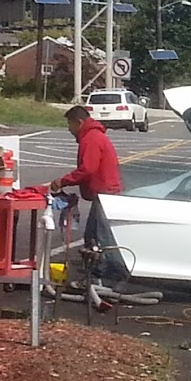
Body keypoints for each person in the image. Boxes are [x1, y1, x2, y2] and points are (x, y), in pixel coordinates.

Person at [50, 105, 125, 284]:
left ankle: (116, 272)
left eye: (70, 124)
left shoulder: (90, 138)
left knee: (103, 235)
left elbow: (87, 169)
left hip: (105, 192)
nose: (69, 129)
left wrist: (63, 181)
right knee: (92, 235)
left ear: (79, 122)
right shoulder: (93, 135)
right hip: (104, 191)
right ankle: (95, 271)